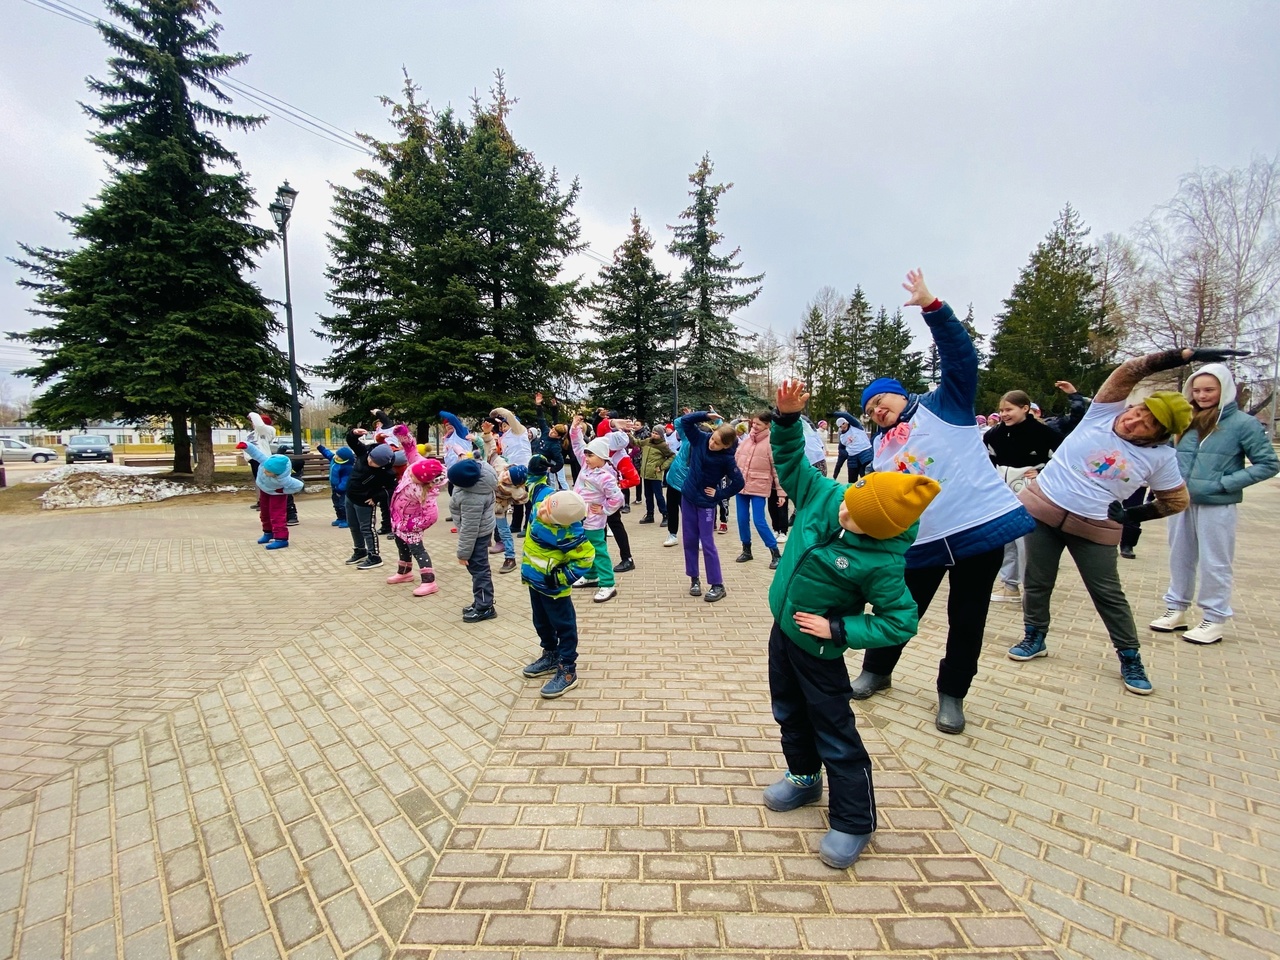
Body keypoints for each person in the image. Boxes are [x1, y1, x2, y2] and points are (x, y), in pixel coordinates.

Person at [763, 378, 939, 869]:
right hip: (783, 632)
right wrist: (785, 419)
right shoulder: (828, 494)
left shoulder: (882, 562)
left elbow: (900, 622)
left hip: (820, 650)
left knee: (834, 730)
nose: (844, 512)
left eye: (855, 518)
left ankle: (854, 819)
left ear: (879, 530)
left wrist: (841, 632)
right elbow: (791, 462)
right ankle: (802, 778)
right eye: (849, 501)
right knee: (787, 711)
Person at [855, 269, 1034, 734]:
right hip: (924, 542)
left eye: (880, 400)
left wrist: (935, 309)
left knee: (968, 619)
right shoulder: (881, 446)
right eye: (870, 409)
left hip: (978, 531)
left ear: (898, 392)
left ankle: (952, 694)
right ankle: (877, 670)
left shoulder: (944, 403)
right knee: (899, 609)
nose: (876, 410)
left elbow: (960, 357)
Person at [1007, 347, 1246, 692]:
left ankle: (1130, 656)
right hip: (1044, 512)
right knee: (1037, 581)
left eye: (1147, 425)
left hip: (1093, 527)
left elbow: (1176, 500)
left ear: (1159, 436)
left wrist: (1134, 514)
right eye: (1138, 412)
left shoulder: (1162, 459)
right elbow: (1131, 370)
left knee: (1107, 594)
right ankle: (1034, 636)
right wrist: (1185, 355)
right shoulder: (1102, 414)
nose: (1133, 421)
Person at [1149, 362, 1278, 644]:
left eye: (1209, 389)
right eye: (1197, 390)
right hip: (1180, 501)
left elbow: (1269, 464)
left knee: (1215, 561)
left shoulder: (1242, 424)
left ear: (1224, 389)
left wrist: (1225, 483)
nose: (1202, 395)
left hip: (1217, 504)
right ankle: (1176, 608)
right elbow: (1170, 456)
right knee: (1179, 555)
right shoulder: (1186, 421)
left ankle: (1214, 617)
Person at [983, 389, 1069, 604]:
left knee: (1027, 541)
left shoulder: (1044, 433)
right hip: (1003, 492)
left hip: (1031, 491)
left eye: (1009, 409)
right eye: (1001, 410)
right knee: (1006, 539)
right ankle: (1009, 585)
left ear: (1025, 408)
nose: (1004, 414)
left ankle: (1032, 590)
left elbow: (1065, 458)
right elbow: (987, 459)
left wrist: (1043, 471)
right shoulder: (993, 434)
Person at [519, 490, 596, 699]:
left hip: (554, 590)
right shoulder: (542, 506)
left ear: (560, 522)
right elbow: (537, 485)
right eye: (545, 504)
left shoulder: (569, 535)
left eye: (546, 511)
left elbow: (586, 558)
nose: (541, 509)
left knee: (564, 626)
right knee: (541, 622)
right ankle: (551, 654)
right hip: (534, 583)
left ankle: (567, 667)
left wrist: (560, 577)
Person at [679, 410, 744, 602]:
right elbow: (685, 421)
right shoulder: (700, 439)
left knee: (707, 543)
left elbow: (739, 483)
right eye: (713, 438)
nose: (712, 443)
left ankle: (717, 584)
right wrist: (706, 416)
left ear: (727, 445)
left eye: (717, 443)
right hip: (689, 497)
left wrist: (719, 494)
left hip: (706, 503)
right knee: (689, 540)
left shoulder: (726, 458)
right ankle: (694, 579)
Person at [385, 425, 445, 596]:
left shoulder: (425, 493)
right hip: (398, 519)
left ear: (424, 482)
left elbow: (431, 516)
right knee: (400, 544)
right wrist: (403, 434)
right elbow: (410, 448)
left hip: (411, 523)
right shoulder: (417, 465)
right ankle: (404, 572)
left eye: (413, 477)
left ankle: (429, 581)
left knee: (417, 549)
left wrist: (414, 525)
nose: (409, 475)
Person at [568, 428, 624, 603]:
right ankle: (591, 576)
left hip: (594, 521)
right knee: (586, 549)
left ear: (602, 457)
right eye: (586, 454)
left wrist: (605, 509)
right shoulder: (586, 466)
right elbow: (577, 445)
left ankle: (608, 583)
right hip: (580, 518)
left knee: (599, 551)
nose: (586, 457)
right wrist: (575, 428)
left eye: (591, 455)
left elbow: (618, 497)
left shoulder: (606, 477)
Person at [448, 457, 500, 623]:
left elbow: (470, 530)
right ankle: (480, 601)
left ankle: (485, 606)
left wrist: (463, 554)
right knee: (478, 569)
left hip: (476, 535)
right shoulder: (481, 476)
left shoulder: (473, 498)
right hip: (480, 531)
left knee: (479, 570)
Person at [734, 411, 784, 569]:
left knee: (759, 521)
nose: (754, 426)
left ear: (767, 425)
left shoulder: (771, 443)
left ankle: (775, 553)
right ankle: (746, 550)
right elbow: (735, 461)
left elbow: (777, 470)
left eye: (758, 424)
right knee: (742, 519)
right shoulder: (746, 441)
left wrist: (781, 492)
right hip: (741, 486)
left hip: (759, 487)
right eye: (753, 423)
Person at [343, 429, 396, 569]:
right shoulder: (364, 452)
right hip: (350, 496)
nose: (370, 462)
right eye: (370, 458)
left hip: (365, 501)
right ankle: (360, 550)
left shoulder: (387, 473)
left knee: (367, 528)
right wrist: (354, 433)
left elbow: (391, 489)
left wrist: (376, 497)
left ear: (382, 465)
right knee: (353, 526)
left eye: (374, 463)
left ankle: (375, 556)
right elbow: (351, 441)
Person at [237, 440, 304, 549]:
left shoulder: (284, 479)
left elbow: (299, 486)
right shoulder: (265, 462)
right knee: (264, 512)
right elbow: (255, 452)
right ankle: (268, 533)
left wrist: (282, 491)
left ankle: (281, 538)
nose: (264, 472)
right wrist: (245, 446)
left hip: (277, 495)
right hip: (264, 490)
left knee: (277, 515)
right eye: (265, 469)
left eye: (268, 472)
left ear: (277, 474)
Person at [491, 406, 532, 532]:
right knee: (515, 498)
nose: (503, 428)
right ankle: (515, 525)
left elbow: (509, 415)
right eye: (502, 426)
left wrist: (496, 412)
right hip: (512, 470)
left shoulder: (519, 431)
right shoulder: (504, 437)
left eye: (505, 425)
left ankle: (528, 526)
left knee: (527, 499)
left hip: (524, 469)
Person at [492, 463, 530, 574]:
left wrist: (509, 499)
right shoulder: (499, 468)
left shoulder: (515, 490)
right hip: (485, 506)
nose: (505, 478)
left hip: (499, 509)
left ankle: (510, 558)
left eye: (509, 480)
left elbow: (523, 499)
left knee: (504, 531)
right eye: (507, 474)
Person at [639, 427, 675, 525]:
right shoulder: (647, 441)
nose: (654, 435)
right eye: (653, 432)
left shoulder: (663, 445)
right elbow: (636, 442)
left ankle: (665, 515)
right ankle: (650, 515)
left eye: (656, 433)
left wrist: (662, 467)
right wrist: (627, 433)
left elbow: (672, 456)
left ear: (661, 435)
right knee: (648, 495)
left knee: (659, 496)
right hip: (646, 474)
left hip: (655, 475)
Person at [315, 443, 353, 527]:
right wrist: (320, 447)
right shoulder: (333, 459)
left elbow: (345, 480)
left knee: (343, 504)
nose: (336, 457)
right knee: (336, 504)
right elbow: (327, 453)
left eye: (339, 456)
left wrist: (340, 489)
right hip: (334, 487)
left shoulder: (347, 467)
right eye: (336, 454)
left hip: (342, 489)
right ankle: (340, 518)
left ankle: (347, 520)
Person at [833, 413, 872, 482]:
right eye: (840, 425)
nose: (842, 426)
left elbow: (847, 415)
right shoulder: (842, 437)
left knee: (867, 477)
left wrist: (835, 414)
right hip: (852, 458)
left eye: (843, 423)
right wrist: (834, 476)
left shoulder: (856, 426)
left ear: (847, 422)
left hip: (864, 453)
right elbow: (841, 454)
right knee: (852, 480)